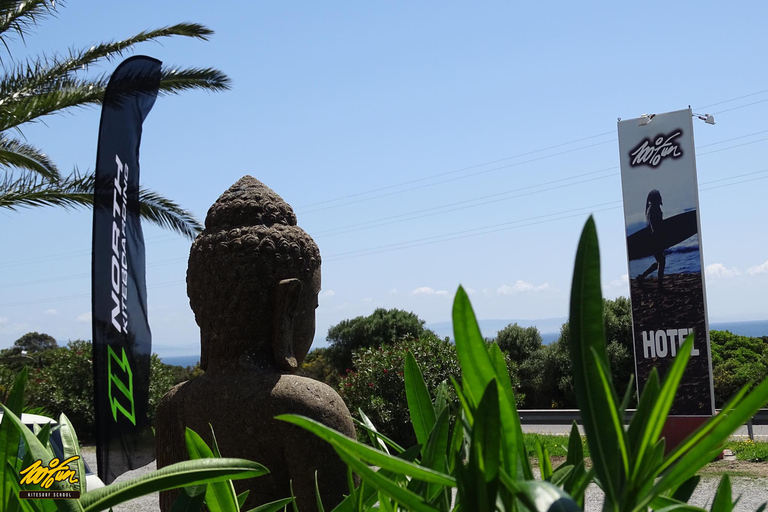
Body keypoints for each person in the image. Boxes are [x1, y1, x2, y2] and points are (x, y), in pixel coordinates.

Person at [636, 189, 666, 291]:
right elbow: (653, 224)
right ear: (655, 198)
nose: (660, 197)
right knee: (661, 261)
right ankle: (660, 286)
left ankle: (641, 277)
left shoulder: (652, 208)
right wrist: (658, 236)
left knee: (660, 261)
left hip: (655, 238)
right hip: (655, 239)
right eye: (659, 196)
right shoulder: (653, 208)